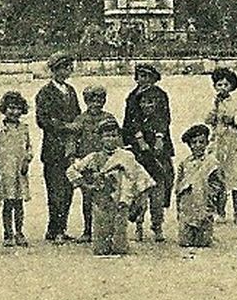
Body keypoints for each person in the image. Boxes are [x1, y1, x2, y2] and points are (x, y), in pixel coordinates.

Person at [66, 117, 154, 256]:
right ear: (100, 138)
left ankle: (120, 244)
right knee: (100, 247)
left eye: (114, 135)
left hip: (120, 200)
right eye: (106, 136)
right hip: (101, 201)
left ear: (118, 137)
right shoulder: (93, 157)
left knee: (119, 244)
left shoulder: (126, 156)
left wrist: (137, 198)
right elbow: (71, 170)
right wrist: (85, 184)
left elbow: (140, 177)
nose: (110, 139)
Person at [122, 63, 173, 243]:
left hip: (158, 148)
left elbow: (164, 119)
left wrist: (160, 138)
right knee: (140, 190)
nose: (143, 79)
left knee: (159, 186)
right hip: (139, 149)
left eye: (147, 76)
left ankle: (157, 225)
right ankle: (138, 225)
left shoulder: (160, 95)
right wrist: (138, 139)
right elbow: (129, 121)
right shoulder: (132, 97)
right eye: (140, 76)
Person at [34, 53, 83, 242]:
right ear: (54, 70)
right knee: (55, 190)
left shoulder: (70, 91)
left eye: (69, 68)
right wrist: (64, 127)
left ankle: (61, 227)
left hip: (69, 147)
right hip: (53, 148)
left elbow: (77, 115)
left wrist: (75, 130)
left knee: (68, 188)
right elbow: (43, 120)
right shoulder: (45, 93)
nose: (66, 71)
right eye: (63, 68)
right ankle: (54, 229)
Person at [68, 85, 113, 242]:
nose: (96, 104)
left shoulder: (109, 118)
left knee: (106, 197)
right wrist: (72, 156)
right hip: (87, 163)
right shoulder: (80, 119)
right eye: (92, 101)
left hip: (105, 162)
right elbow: (72, 139)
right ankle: (88, 230)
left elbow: (117, 139)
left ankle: (106, 231)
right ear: (86, 102)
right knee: (87, 197)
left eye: (100, 100)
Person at [206, 67, 237, 224]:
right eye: (219, 85)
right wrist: (215, 108)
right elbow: (208, 120)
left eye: (226, 84)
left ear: (232, 86)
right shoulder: (214, 103)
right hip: (217, 145)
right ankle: (221, 211)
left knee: (236, 179)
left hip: (233, 144)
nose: (222, 88)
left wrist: (233, 121)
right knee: (218, 179)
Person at [0, 91, 33, 246]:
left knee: (19, 203)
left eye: (17, 108)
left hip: (20, 171)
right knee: (8, 203)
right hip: (5, 170)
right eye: (10, 108)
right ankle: (8, 233)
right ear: (4, 108)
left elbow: (29, 147)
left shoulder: (24, 128)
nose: (14, 112)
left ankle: (19, 232)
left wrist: (27, 160)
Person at [174, 123, 223, 248]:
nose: (197, 146)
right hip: (187, 206)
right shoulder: (185, 163)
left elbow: (219, 185)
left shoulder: (212, 162)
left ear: (207, 143)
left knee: (203, 242)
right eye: (194, 143)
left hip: (204, 205)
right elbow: (178, 185)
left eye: (201, 142)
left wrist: (214, 201)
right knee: (185, 242)